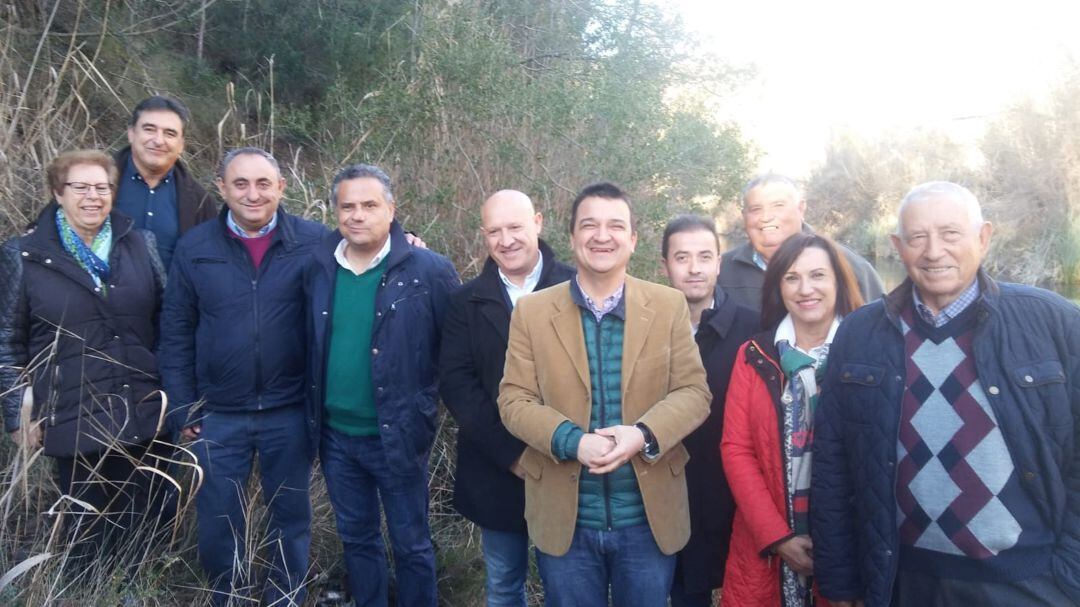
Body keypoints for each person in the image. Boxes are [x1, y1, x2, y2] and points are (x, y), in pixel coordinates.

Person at [811, 181, 1080, 607]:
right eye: (918, 237)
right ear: (898, 246)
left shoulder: (1054, 323)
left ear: (983, 237)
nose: (934, 251)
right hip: (902, 581)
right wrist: (841, 581)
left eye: (950, 233)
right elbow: (833, 463)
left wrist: (1070, 573)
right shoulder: (861, 333)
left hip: (1029, 583)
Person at [498, 182, 711, 607]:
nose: (602, 235)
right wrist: (572, 441)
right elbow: (513, 400)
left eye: (616, 225)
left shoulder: (667, 305)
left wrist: (643, 434)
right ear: (572, 236)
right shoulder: (533, 312)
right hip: (567, 519)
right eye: (589, 225)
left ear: (632, 239)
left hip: (647, 521)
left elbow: (694, 392)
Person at [159, 147, 328, 605]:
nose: (253, 194)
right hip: (217, 415)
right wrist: (181, 406)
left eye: (263, 184)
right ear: (221, 189)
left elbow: (367, 255)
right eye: (240, 184)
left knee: (290, 517)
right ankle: (227, 596)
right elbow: (175, 331)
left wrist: (405, 237)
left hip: (289, 410)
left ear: (281, 188)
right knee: (217, 519)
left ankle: (285, 597)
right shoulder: (196, 248)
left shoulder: (315, 242)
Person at [0, 150, 173, 566]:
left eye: (102, 187)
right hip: (74, 418)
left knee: (148, 530)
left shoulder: (140, 244)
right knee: (88, 541)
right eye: (80, 187)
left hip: (145, 413)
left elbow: (168, 322)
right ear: (58, 193)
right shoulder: (23, 255)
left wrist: (173, 392)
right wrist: (16, 413)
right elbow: (7, 340)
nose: (92, 196)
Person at [304, 164, 460, 607]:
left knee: (411, 544)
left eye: (370, 205)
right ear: (335, 211)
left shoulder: (429, 270)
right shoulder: (318, 266)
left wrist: (431, 409)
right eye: (347, 206)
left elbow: (454, 353)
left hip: (398, 435)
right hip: (335, 437)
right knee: (358, 540)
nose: (357, 215)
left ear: (391, 210)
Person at [439, 190, 575, 607]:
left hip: (567, 463)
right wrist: (511, 454)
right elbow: (458, 383)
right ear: (484, 235)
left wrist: (563, 444)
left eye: (515, 227)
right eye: (494, 231)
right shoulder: (464, 302)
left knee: (566, 586)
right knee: (502, 583)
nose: (506, 240)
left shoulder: (577, 286)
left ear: (537, 222)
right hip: (497, 466)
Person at [721, 233, 864, 607]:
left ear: (838, 281)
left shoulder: (868, 352)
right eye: (792, 277)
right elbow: (737, 449)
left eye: (818, 275)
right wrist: (778, 537)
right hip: (767, 542)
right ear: (778, 286)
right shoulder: (755, 356)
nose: (806, 289)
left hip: (852, 543)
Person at [659, 215, 758, 607]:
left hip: (733, 489)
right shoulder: (644, 326)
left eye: (705, 256)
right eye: (682, 257)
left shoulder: (754, 329)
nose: (694, 268)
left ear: (720, 262)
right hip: (668, 486)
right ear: (664, 266)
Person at [719, 173, 884, 310]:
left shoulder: (848, 266)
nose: (766, 217)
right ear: (744, 216)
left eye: (778, 205)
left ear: (801, 209)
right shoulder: (720, 271)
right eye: (756, 209)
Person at [115, 95, 217, 269]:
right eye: (149, 129)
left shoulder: (200, 202)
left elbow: (208, 265)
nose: (158, 140)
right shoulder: (95, 184)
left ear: (181, 144)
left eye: (169, 133)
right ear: (131, 133)